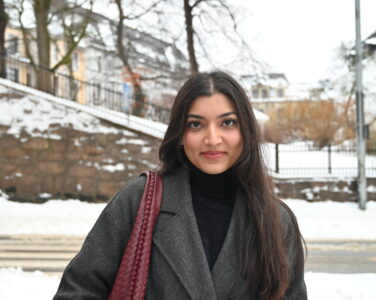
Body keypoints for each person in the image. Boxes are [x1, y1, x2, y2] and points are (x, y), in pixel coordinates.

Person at [53, 71, 307, 300]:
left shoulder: (276, 220)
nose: (212, 139)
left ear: (246, 131)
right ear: (180, 134)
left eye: (227, 123)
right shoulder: (139, 200)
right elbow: (77, 292)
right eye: (196, 124)